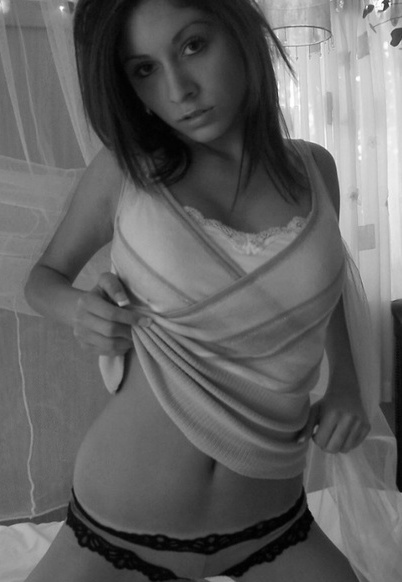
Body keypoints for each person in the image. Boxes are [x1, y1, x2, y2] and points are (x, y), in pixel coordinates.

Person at [23, 0, 376, 581]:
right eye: (144, 69)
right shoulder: (125, 171)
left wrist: (344, 383)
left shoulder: (316, 169)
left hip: (272, 519)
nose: (179, 89)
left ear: (240, 33)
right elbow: (44, 279)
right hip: (117, 525)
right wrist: (77, 309)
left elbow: (323, 284)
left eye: (192, 45)